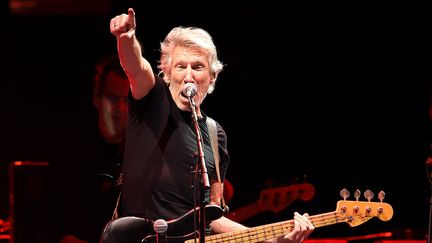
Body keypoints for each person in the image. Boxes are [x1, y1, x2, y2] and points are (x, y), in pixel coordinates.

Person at [101, 7, 314, 243]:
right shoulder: (154, 99)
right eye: (181, 66)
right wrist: (126, 38)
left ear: (212, 77)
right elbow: (136, 67)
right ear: (167, 73)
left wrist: (273, 240)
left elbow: (212, 217)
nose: (188, 75)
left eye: (198, 67)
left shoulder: (214, 135)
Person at [58, 54, 130, 243]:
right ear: (97, 99)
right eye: (113, 99)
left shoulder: (142, 153)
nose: (121, 109)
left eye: (126, 100)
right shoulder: (72, 153)